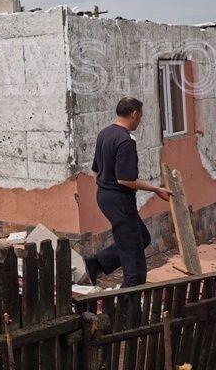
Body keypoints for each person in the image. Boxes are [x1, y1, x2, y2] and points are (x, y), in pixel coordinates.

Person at [84, 97, 172, 288]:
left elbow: (95, 171)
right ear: (134, 114)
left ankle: (97, 263)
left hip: (105, 197)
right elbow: (125, 179)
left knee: (142, 237)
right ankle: (127, 299)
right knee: (135, 266)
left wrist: (105, 189)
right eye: (140, 116)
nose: (140, 120)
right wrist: (156, 189)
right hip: (119, 201)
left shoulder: (104, 133)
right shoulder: (125, 141)